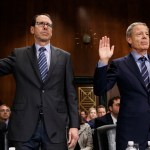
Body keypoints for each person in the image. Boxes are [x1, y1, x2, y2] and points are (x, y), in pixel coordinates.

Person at [0, 13, 79, 150]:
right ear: (32, 29)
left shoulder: (64, 57)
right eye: (40, 23)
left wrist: (74, 126)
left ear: (52, 31)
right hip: (24, 125)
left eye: (48, 25)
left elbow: (71, 94)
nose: (45, 27)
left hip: (55, 125)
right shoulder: (19, 55)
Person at [93, 22, 150, 150]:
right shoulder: (120, 65)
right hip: (131, 130)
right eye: (140, 34)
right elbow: (100, 89)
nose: (145, 37)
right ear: (129, 39)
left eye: (147, 34)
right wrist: (103, 61)